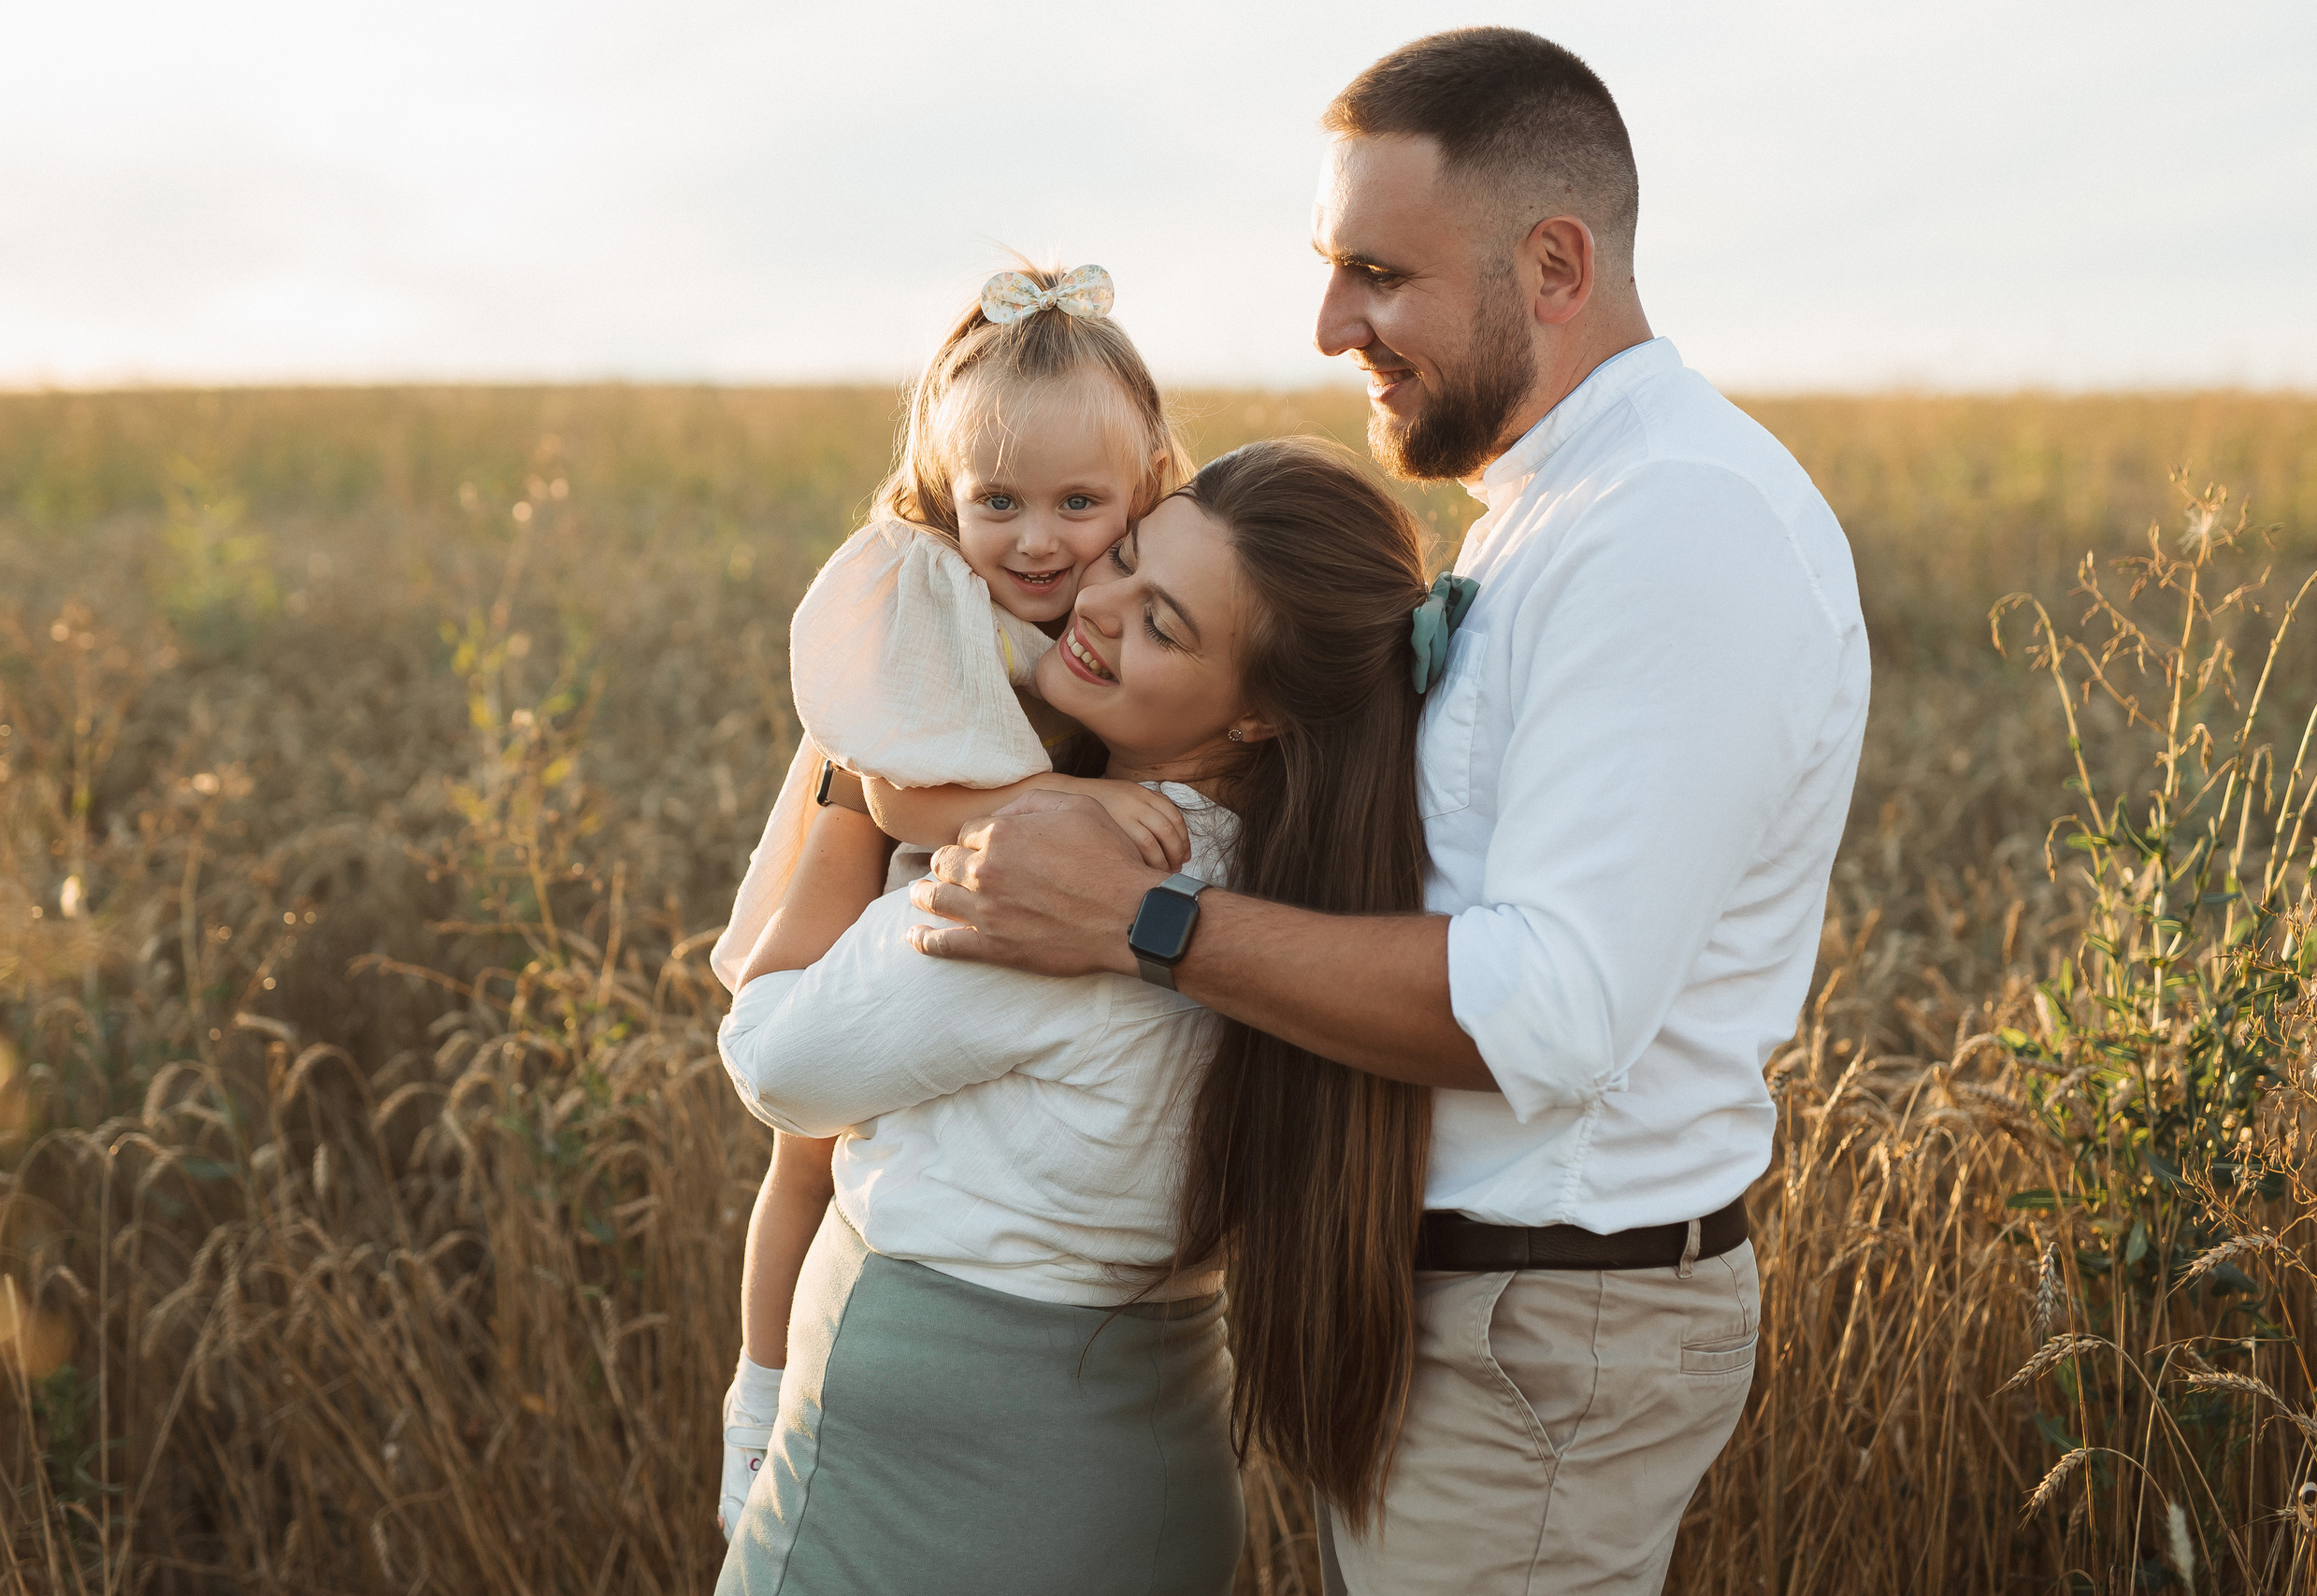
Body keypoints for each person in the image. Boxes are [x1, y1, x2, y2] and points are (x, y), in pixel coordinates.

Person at [904, 27, 1871, 1595]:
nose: (1331, 321)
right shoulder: (1552, 512)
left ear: (1553, 262)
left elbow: (1544, 1008)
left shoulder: (1679, 525)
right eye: (1329, 266)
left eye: (1379, 273)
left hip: (1547, 1329)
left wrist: (1149, 923)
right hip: (1475, 1321)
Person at [714, 439, 1451, 1595]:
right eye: (1123, 557)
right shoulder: (1288, 883)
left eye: (1162, 624)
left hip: (936, 1499)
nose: (1093, 605)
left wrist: (857, 747)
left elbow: (774, 1062)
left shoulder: (1063, 874)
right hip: (1141, 1475)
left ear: (1257, 716)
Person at [706, 261, 1193, 1533]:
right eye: (998, 502)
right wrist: (1067, 809)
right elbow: (896, 803)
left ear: (1142, 489)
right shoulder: (932, 601)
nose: (1038, 538)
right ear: (945, 494)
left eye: (1078, 502)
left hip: (971, 868)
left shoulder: (1130, 590)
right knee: (802, 1151)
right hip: (883, 844)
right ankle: (756, 1399)